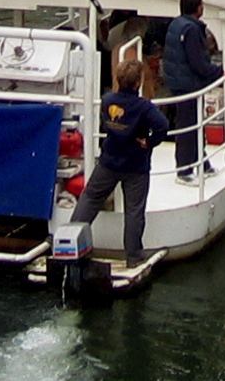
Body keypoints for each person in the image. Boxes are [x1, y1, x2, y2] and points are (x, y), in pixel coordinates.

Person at [69, 55, 169, 265]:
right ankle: (133, 257)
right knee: (134, 212)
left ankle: (70, 242)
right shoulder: (144, 107)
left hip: (109, 161)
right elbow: (162, 125)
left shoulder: (107, 100)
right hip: (136, 165)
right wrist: (150, 142)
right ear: (138, 83)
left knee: (90, 199)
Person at [161, 0, 223, 181]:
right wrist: (220, 73)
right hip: (188, 85)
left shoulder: (176, 24)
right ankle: (184, 170)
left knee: (194, 124)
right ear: (198, 8)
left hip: (178, 82)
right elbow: (198, 63)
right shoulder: (192, 30)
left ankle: (201, 162)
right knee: (188, 127)